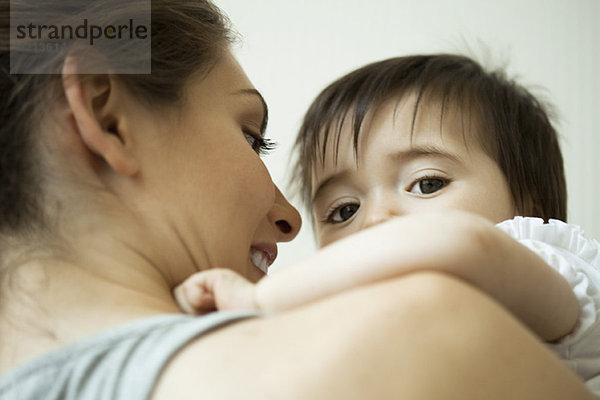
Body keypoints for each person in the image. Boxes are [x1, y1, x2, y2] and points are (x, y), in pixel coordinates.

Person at [0, 0, 595, 397]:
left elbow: (468, 247)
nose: (287, 218)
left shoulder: (537, 265)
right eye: (250, 136)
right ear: (107, 115)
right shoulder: (422, 337)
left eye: (428, 183)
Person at [174, 55, 600, 397]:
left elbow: (465, 246)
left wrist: (261, 300)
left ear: (530, 205)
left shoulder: (554, 270)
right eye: (344, 211)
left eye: (427, 183)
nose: (377, 220)